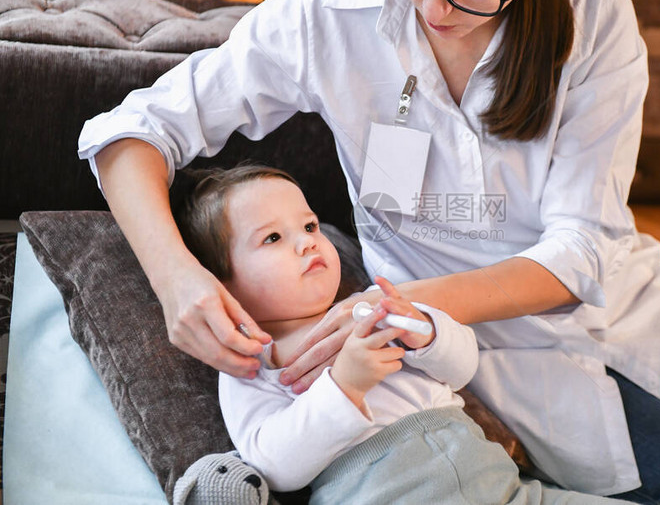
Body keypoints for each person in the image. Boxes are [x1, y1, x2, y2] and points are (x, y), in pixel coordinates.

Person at [78, 0, 660, 502]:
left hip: (619, 310)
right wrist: (177, 277)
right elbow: (129, 132)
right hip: (482, 355)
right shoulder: (329, 12)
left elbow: (582, 251)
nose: (431, 7)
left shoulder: (594, 11)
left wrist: (388, 310)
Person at [174, 164, 628, 504]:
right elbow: (274, 464)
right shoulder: (251, 360)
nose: (307, 241)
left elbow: (461, 368)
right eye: (272, 238)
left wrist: (427, 334)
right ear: (223, 283)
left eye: (309, 225)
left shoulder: (376, 305)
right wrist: (344, 386)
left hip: (500, 486)